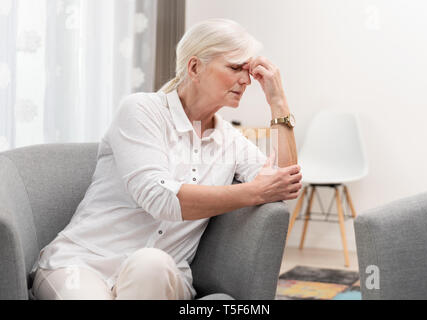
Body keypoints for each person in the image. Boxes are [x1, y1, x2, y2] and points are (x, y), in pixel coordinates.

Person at [30, 18, 302, 300]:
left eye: (248, 70)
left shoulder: (230, 142)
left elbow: (286, 182)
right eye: (235, 68)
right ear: (195, 67)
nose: (246, 80)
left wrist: (278, 101)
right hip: (82, 265)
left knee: (152, 262)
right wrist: (252, 191)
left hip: (160, 277)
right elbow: (159, 197)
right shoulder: (142, 111)